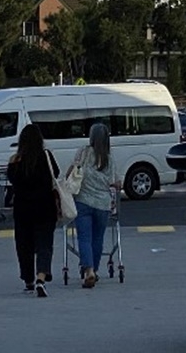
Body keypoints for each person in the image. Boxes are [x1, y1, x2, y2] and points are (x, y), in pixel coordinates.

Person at [7, 124, 60, 297]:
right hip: (45, 207)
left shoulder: (15, 160)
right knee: (45, 244)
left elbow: (12, 180)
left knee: (24, 245)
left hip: (23, 209)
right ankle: (41, 278)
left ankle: (28, 279)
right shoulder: (46, 156)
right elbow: (56, 173)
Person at [70, 122, 120, 288]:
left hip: (83, 200)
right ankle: (95, 270)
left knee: (84, 238)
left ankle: (88, 270)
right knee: (97, 239)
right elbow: (115, 182)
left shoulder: (83, 152)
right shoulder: (109, 158)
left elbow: (71, 171)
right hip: (103, 204)